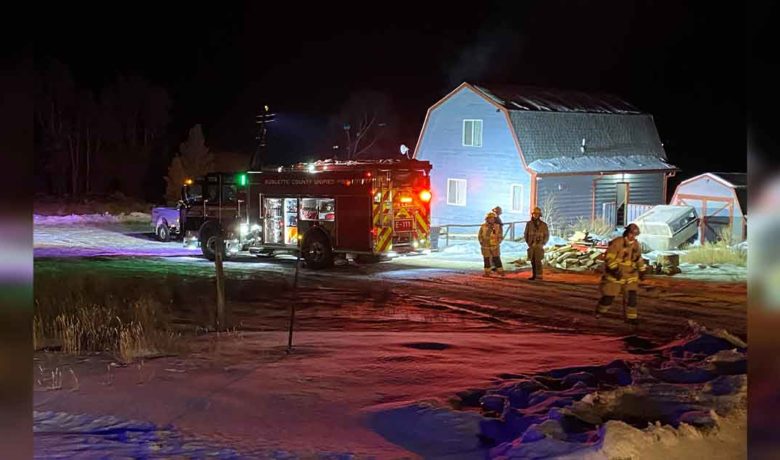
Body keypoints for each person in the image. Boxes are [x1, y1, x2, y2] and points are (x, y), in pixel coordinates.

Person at [595, 223, 647, 326]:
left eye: (635, 235)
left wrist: (642, 270)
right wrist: (614, 270)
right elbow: (609, 258)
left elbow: (638, 259)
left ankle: (631, 318)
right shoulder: (617, 242)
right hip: (615, 276)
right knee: (608, 297)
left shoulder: (636, 245)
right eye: (631, 234)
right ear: (627, 233)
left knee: (631, 297)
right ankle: (599, 313)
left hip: (630, 276)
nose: (632, 237)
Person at [523, 206, 549, 280]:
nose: (536, 215)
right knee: (532, 261)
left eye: (537, 214)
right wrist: (529, 243)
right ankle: (534, 275)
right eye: (534, 214)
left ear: (539, 215)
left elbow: (546, 235)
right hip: (531, 245)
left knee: (538, 261)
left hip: (539, 245)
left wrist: (543, 243)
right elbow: (526, 234)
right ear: (532, 214)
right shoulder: (529, 224)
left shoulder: (544, 225)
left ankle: (539, 276)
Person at [478, 211, 504, 276]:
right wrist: (481, 241)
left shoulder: (497, 226)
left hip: (495, 245)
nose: (491, 220)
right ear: (487, 219)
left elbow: (500, 235)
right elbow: (480, 235)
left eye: (493, 218)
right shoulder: (483, 226)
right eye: (490, 218)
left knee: (496, 258)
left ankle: (500, 272)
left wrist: (498, 241)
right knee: (486, 259)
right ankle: (487, 272)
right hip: (485, 246)